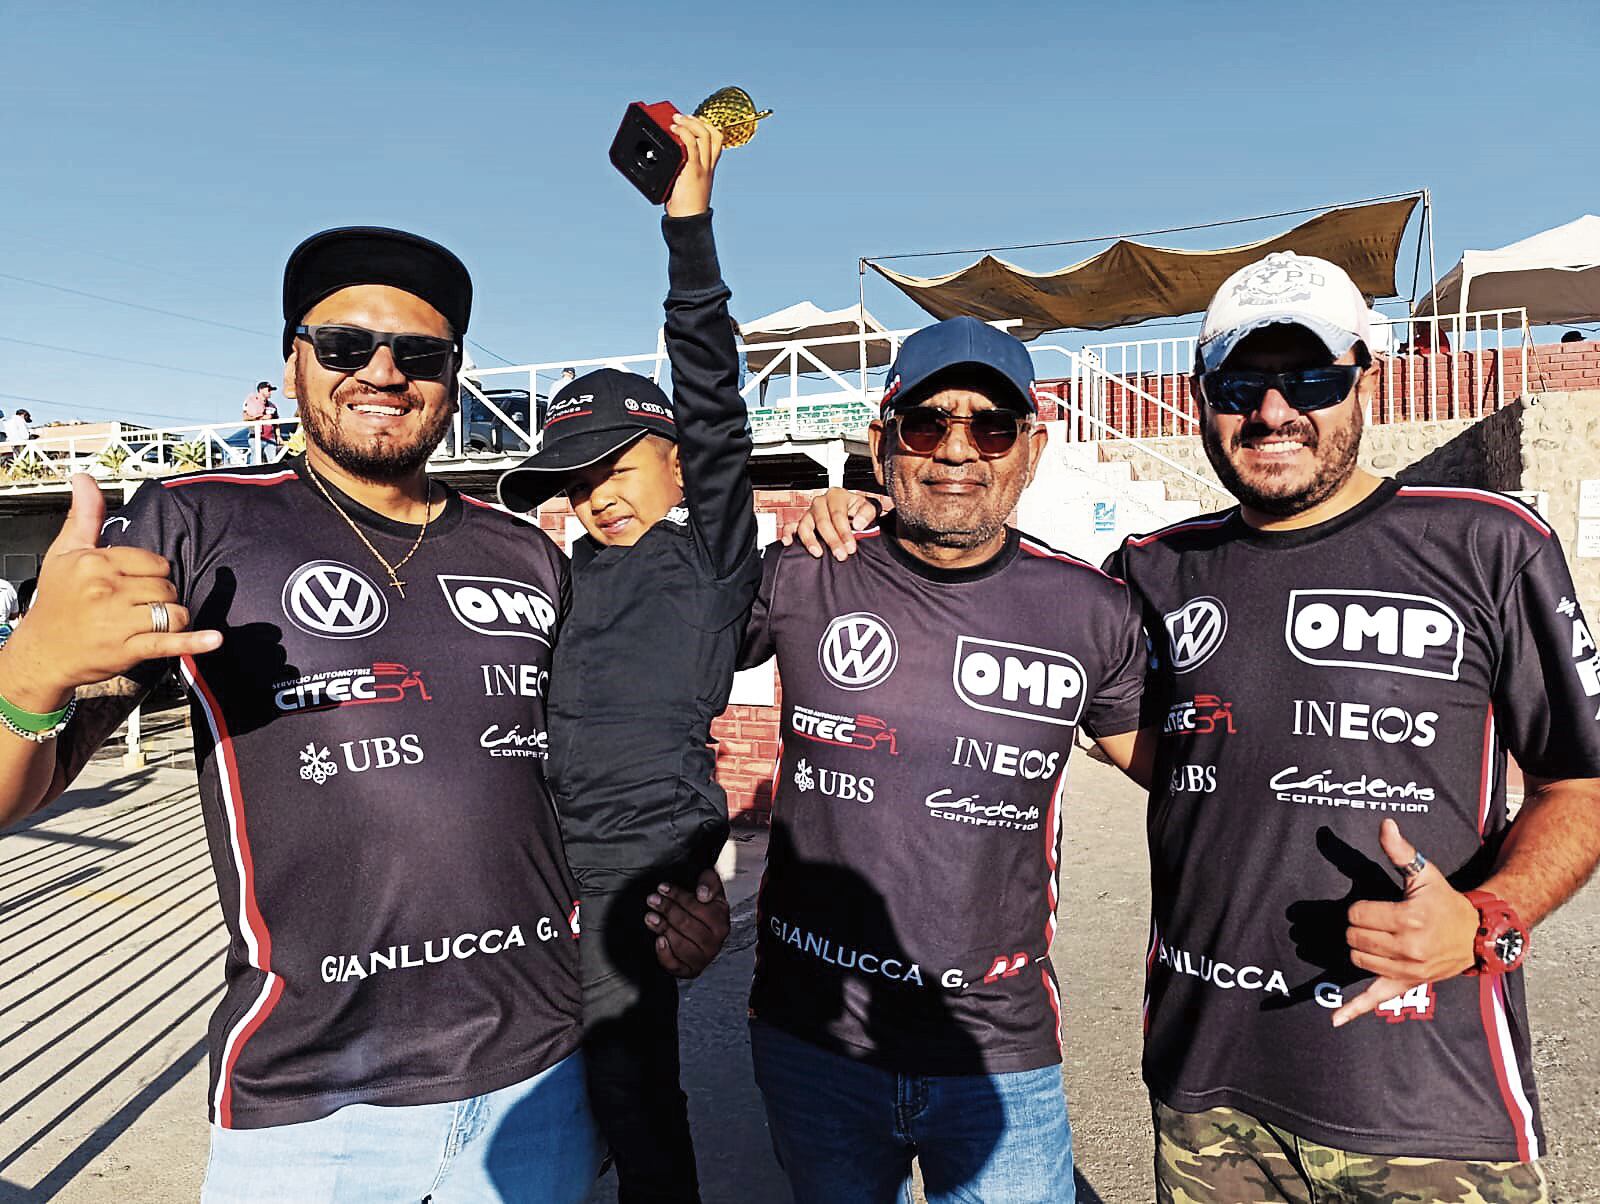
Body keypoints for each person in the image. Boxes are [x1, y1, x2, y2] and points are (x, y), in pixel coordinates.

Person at [800, 253, 1600, 1202]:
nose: (1272, 412)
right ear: (1202, 393)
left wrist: (1485, 919)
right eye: (1241, 383)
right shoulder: (1148, 570)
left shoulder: (1488, 542)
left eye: (1310, 377)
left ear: (1365, 380)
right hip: (1205, 1092)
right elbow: (1011, 604)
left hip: (1429, 1100)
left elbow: (1580, 783)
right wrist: (869, 513)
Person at [0, 224, 727, 1204]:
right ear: (291, 359)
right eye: (345, 344)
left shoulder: (529, 556)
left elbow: (592, 770)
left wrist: (677, 894)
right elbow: (19, 788)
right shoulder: (198, 521)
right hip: (314, 1108)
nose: (381, 372)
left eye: (418, 353)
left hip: (535, 1088)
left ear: (453, 374)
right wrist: (32, 674)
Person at [737, 315, 1154, 1204]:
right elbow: (657, 661)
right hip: (815, 1039)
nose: (958, 449)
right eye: (928, 423)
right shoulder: (810, 569)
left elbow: (1183, 773)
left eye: (992, 426)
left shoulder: (1090, 608)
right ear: (886, 442)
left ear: (1030, 451)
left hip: (994, 1047)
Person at [495, 114, 756, 1204]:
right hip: (518, 870)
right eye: (571, 476)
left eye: (615, 463)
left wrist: (686, 229)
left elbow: (711, 394)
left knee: (634, 1097)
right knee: (531, 1097)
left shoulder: (711, 559)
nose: (594, 491)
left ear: (675, 462)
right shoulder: (554, 577)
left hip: (634, 886)